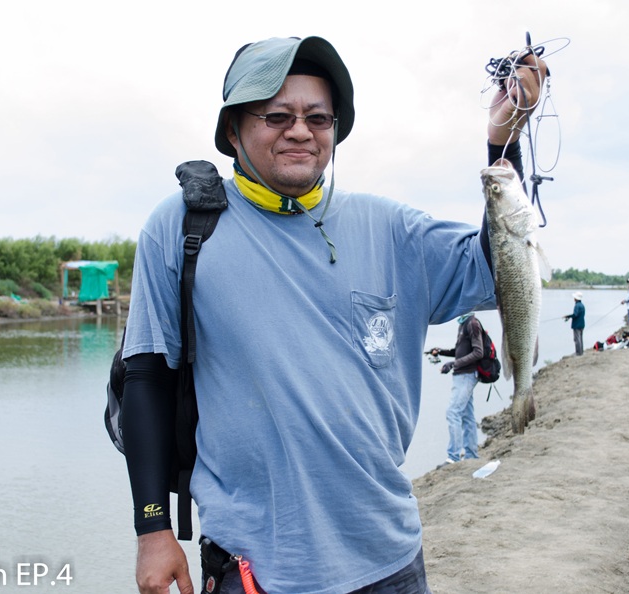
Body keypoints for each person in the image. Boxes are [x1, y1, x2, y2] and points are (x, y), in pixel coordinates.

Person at [120, 35, 547, 594]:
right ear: (232, 131)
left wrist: (503, 141)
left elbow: (503, 271)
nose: (300, 130)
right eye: (277, 116)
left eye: (318, 117)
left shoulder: (392, 229)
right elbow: (147, 376)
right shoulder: (182, 226)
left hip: (389, 559)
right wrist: (153, 529)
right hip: (254, 567)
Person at [429, 313, 484, 463]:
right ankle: (471, 455)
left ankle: (453, 456)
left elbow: (478, 352)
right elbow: (459, 351)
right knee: (467, 416)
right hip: (462, 376)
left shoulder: (472, 323)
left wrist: (452, 364)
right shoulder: (463, 323)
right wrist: (441, 351)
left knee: (453, 412)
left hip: (467, 376)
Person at [563, 291, 585, 356]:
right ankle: (581, 352)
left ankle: (578, 353)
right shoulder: (582, 305)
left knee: (577, 339)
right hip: (582, 324)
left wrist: (568, 316)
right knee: (580, 338)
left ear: (576, 298)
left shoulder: (577, 306)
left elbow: (575, 315)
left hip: (577, 325)